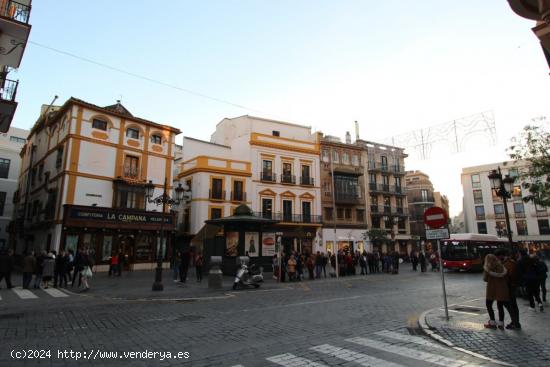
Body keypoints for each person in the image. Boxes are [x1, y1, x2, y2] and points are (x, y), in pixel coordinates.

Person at [483, 254, 510, 330]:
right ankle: (501, 324)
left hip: (492, 288)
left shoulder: (488, 268)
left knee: (488, 305)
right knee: (500, 306)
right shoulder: (501, 266)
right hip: (502, 288)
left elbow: (485, 279)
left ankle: (492, 322)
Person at [497, 250, 521, 330]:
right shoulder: (508, 262)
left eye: (498, 256)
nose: (497, 258)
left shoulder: (508, 263)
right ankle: (515, 322)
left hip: (509, 287)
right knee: (512, 305)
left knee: (510, 305)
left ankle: (515, 323)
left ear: (501, 255)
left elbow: (509, 276)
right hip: (510, 287)